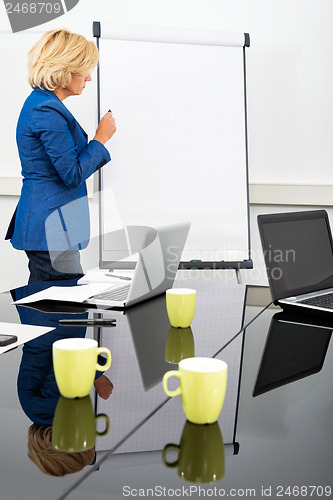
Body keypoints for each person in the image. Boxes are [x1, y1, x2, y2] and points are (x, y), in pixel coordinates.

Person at [5, 29, 116, 283]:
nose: (89, 77)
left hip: (52, 229)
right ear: (65, 70)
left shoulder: (44, 104)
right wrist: (100, 139)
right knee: (63, 311)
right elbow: (71, 174)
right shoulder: (46, 109)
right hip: (50, 230)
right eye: (84, 70)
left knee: (52, 309)